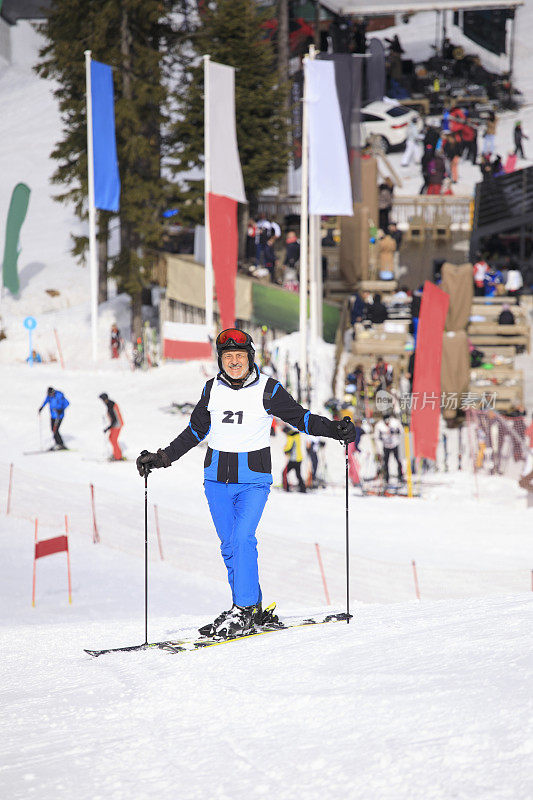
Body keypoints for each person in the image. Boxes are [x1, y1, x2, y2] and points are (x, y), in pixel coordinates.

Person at [135, 327, 356, 639]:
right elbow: (195, 432)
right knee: (229, 547)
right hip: (215, 480)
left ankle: (245, 609)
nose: (234, 362)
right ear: (220, 360)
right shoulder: (211, 389)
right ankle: (249, 606)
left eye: (239, 356)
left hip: (252, 480)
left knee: (242, 540)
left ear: (251, 358)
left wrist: (336, 430)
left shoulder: (268, 389)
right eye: (228, 356)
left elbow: (302, 419)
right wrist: (162, 457)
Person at [374, 413, 404, 485]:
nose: (387, 423)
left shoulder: (395, 423)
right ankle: (386, 477)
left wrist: (395, 433)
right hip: (386, 446)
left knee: (398, 461)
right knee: (385, 463)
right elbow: (376, 437)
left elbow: (402, 432)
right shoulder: (379, 425)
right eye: (385, 422)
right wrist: (379, 449)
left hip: (395, 445)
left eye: (388, 421)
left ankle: (401, 476)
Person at [100, 393, 124, 461]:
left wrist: (108, 428)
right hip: (116, 424)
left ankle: (118, 457)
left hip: (117, 424)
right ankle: (117, 454)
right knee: (111, 439)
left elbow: (114, 419)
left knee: (113, 440)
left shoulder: (110, 405)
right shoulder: (110, 403)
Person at [283, 426, 306, 493]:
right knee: (298, 475)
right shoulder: (297, 435)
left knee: (284, 473)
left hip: (293, 459)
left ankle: (286, 487)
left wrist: (285, 450)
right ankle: (303, 488)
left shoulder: (290, 436)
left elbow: (289, 447)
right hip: (299, 458)